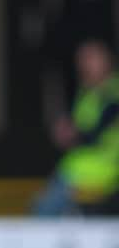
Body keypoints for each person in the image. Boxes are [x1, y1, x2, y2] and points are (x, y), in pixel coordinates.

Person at [33, 39, 119, 215]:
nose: (84, 65)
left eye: (90, 59)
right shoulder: (87, 93)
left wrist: (73, 134)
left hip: (101, 173)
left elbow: (98, 130)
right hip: (75, 168)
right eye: (81, 60)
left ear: (106, 61)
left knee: (44, 213)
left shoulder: (112, 92)